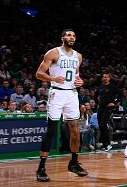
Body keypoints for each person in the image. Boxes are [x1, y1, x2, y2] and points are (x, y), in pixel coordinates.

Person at [35, 28, 88, 182]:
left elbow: (77, 75)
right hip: (57, 93)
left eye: (74, 35)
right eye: (69, 35)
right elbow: (39, 73)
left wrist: (81, 81)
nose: (71, 37)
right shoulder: (53, 53)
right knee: (51, 130)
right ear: (62, 37)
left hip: (72, 94)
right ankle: (41, 168)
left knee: (75, 131)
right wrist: (52, 78)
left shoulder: (78, 56)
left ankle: (74, 163)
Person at [94, 72, 122, 151]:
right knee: (100, 125)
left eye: (107, 77)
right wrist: (97, 104)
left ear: (109, 78)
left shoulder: (113, 87)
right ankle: (104, 144)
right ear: (102, 78)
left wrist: (115, 103)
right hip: (101, 108)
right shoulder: (100, 87)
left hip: (108, 108)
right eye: (104, 77)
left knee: (103, 124)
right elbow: (95, 96)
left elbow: (120, 95)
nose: (105, 78)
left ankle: (108, 144)